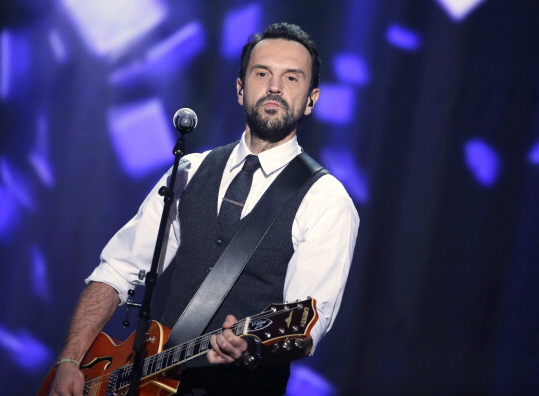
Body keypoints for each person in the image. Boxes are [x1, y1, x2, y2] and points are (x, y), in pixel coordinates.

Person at [48, 22, 359, 396]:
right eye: (262, 73)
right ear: (241, 89)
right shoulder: (190, 170)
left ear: (312, 98)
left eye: (292, 78)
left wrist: (252, 347)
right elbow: (117, 269)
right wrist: (68, 360)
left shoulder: (325, 199)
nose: (275, 87)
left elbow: (307, 322)